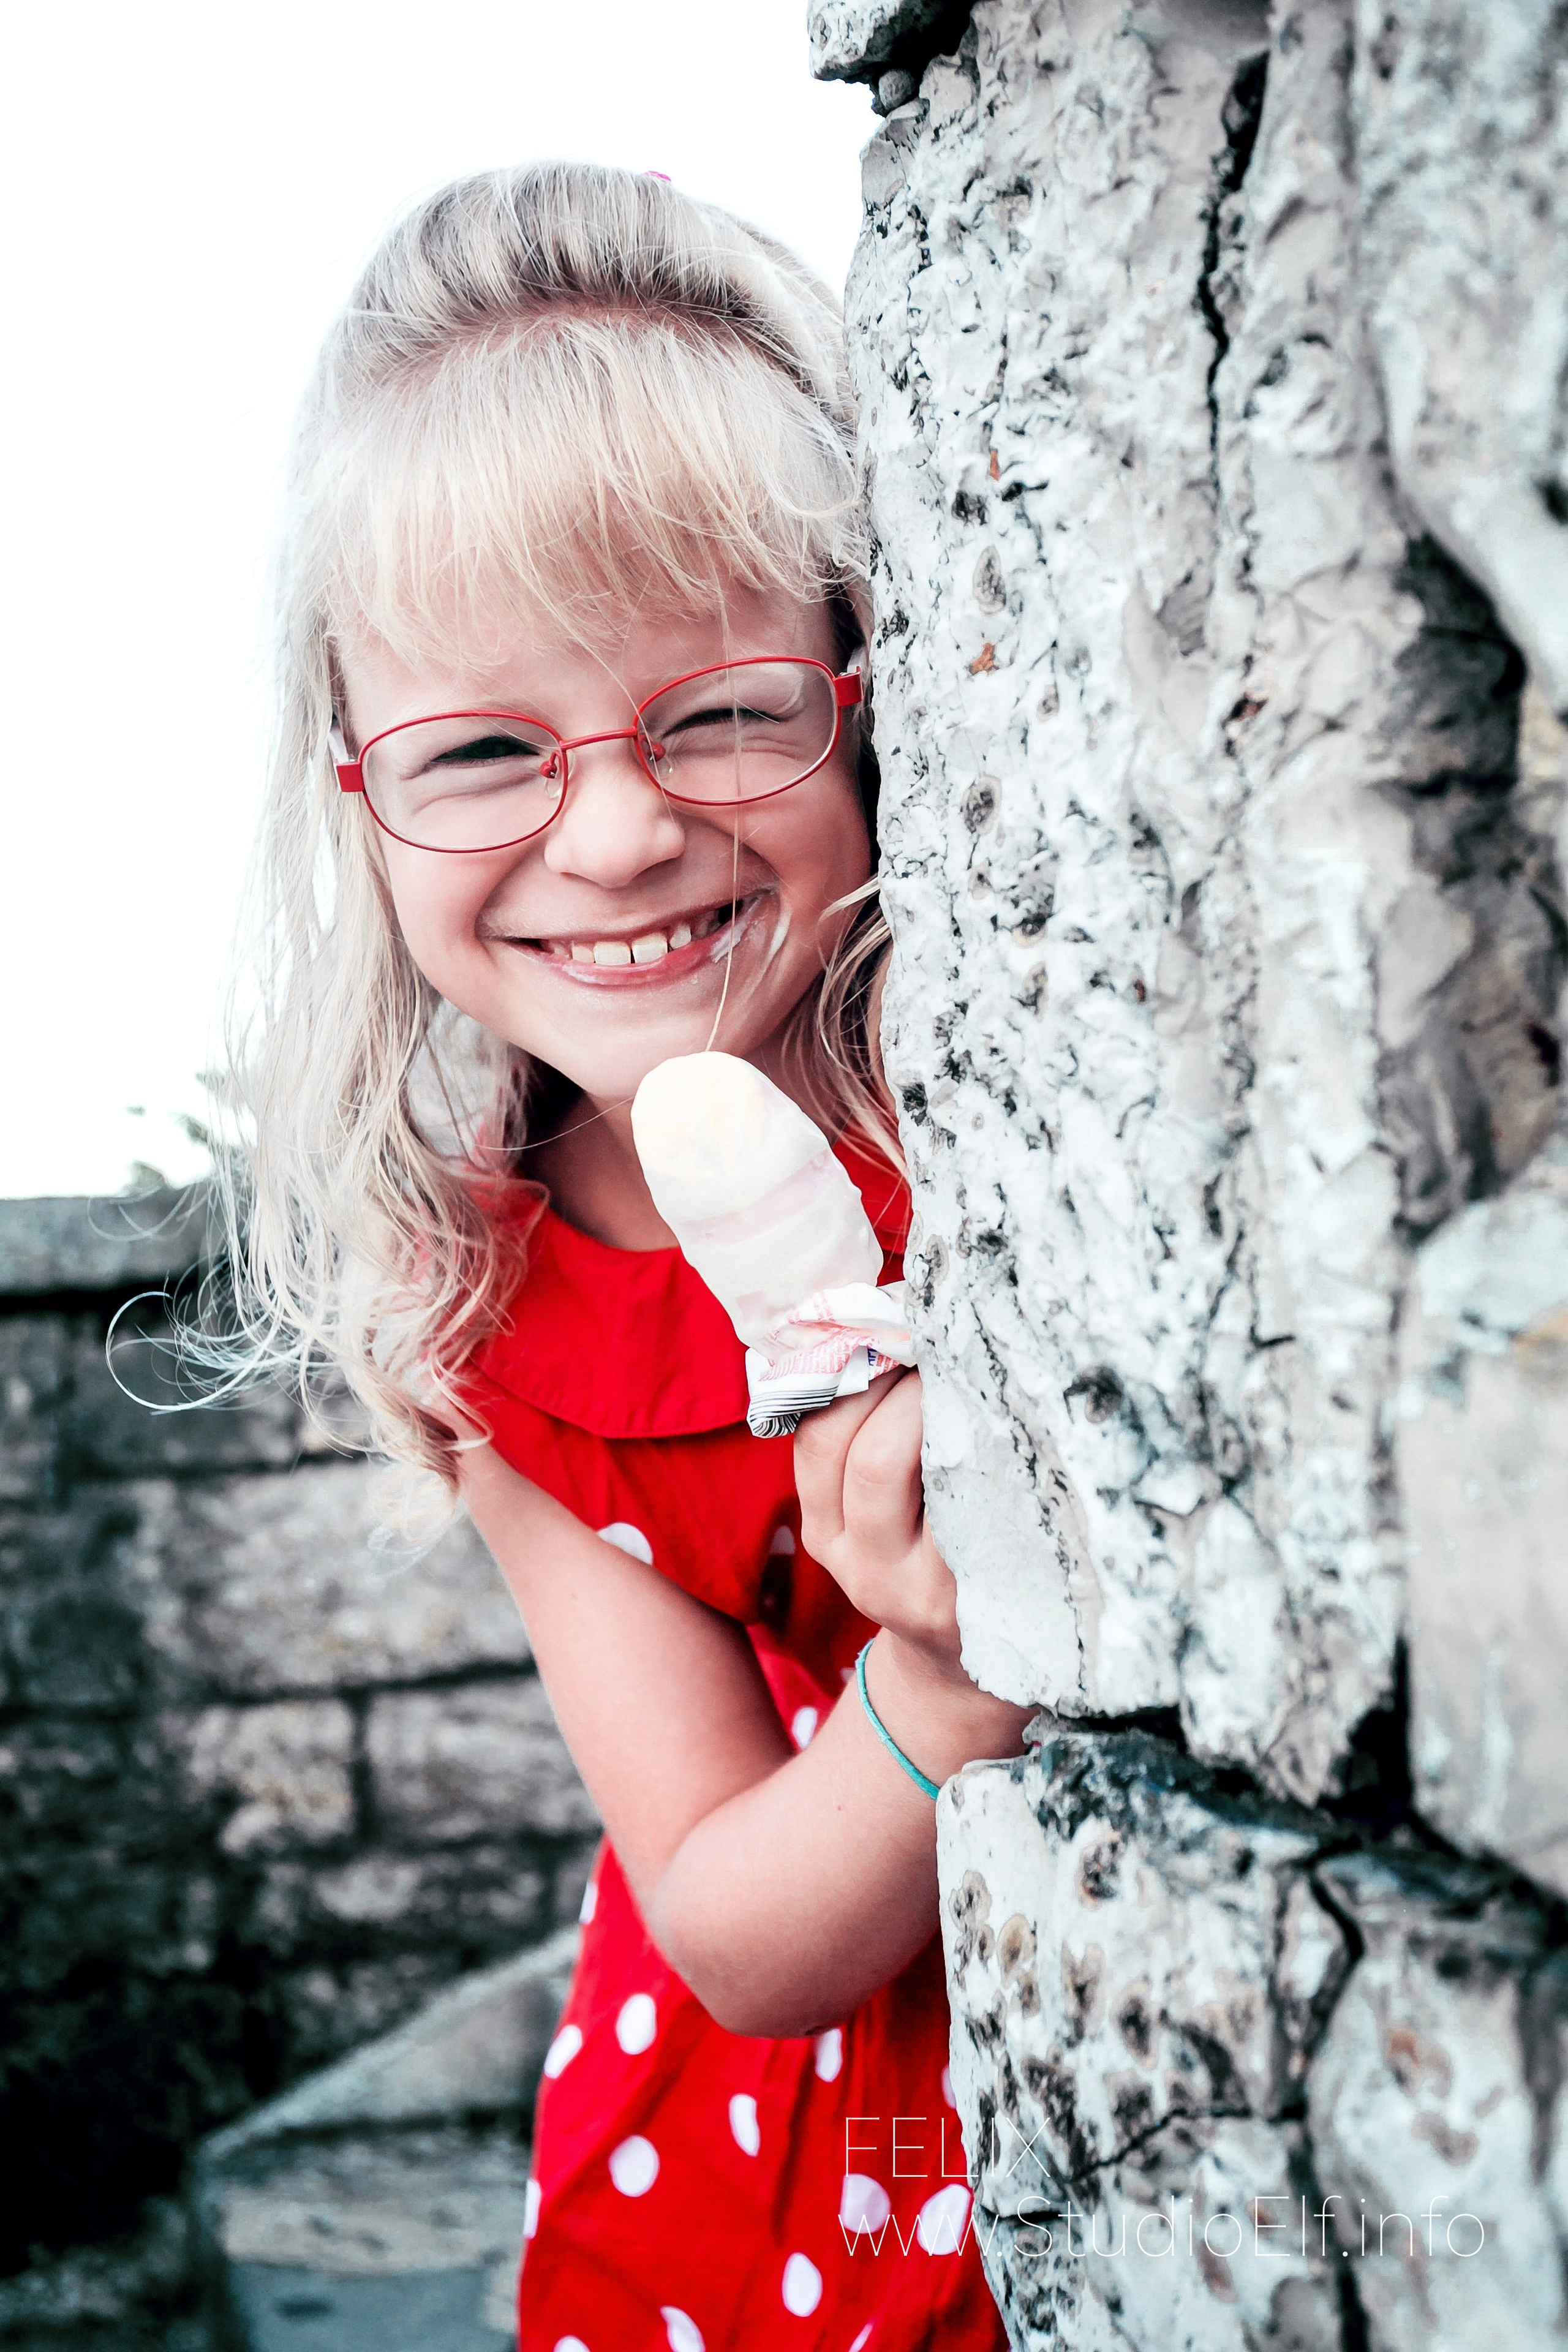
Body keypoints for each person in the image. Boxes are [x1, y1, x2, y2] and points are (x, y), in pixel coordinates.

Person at [217, 160, 1031, 2350]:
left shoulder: (1029, 1126)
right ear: (358, 791)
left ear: (864, 680)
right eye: (483, 749)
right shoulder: (496, 1330)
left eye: (724, 708)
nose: (616, 827)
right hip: (762, 2180)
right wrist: (938, 1683)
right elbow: (735, 1925)